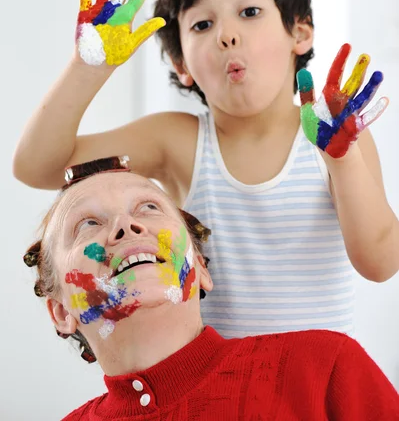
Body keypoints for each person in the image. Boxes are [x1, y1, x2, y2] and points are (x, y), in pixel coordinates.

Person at [14, 0, 399, 339]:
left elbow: (381, 263)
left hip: (316, 388)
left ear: (298, 33)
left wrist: (341, 158)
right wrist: (89, 65)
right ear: (182, 65)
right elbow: (36, 166)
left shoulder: (337, 138)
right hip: (216, 390)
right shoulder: (178, 141)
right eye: (202, 24)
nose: (227, 36)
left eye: (249, 12)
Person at [24, 157, 399, 420]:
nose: (126, 225)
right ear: (61, 312)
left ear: (200, 267)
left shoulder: (323, 368)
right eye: (87, 223)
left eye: (149, 208)